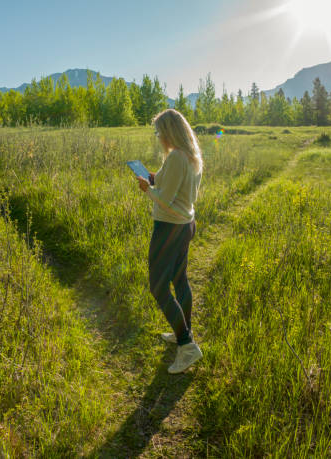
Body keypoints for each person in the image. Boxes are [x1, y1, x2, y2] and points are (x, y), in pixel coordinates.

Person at [135, 108, 203, 374]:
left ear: (169, 131)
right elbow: (177, 188)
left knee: (159, 287)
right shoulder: (191, 156)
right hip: (186, 225)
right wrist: (154, 178)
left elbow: (167, 199)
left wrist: (148, 189)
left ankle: (187, 346)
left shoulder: (176, 157)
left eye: (159, 131)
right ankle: (182, 331)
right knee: (179, 280)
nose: (158, 137)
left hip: (169, 228)